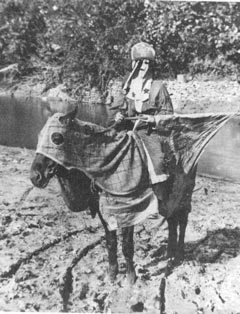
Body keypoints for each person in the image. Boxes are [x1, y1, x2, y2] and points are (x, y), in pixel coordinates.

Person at [109, 42, 174, 202]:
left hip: (148, 132)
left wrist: (153, 119)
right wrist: (118, 116)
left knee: (157, 162)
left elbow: (168, 114)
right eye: (140, 62)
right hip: (127, 131)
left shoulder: (158, 87)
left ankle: (160, 200)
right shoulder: (128, 85)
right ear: (133, 64)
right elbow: (117, 110)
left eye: (147, 63)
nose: (143, 66)